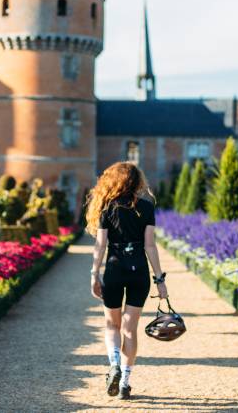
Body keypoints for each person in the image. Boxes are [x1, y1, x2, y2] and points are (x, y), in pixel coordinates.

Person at [86, 162, 168, 400]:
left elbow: (100, 245)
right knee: (130, 330)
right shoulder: (146, 207)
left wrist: (94, 274)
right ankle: (125, 382)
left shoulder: (107, 208)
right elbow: (151, 246)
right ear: (137, 182)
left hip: (114, 269)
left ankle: (114, 364)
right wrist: (160, 280)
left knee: (112, 325)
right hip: (138, 271)